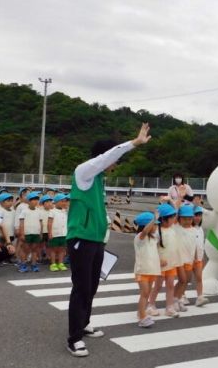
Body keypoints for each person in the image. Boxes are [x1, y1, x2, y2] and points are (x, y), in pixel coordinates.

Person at [66, 123, 151, 358]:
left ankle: (84, 323)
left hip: (94, 240)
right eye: (113, 160)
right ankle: (74, 339)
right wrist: (133, 143)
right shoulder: (84, 172)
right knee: (81, 287)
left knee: (91, 286)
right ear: (102, 157)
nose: (114, 165)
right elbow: (107, 157)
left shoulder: (99, 179)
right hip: (80, 238)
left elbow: (100, 213)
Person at [147, 203, 180, 318]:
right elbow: (151, 248)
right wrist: (158, 260)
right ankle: (150, 305)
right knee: (158, 285)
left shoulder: (172, 228)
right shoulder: (156, 232)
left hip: (171, 264)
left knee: (171, 285)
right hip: (160, 265)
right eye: (171, 217)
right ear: (164, 219)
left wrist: (173, 200)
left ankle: (169, 307)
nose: (174, 219)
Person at [133, 211, 162, 328]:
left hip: (152, 270)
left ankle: (141, 312)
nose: (156, 226)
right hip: (142, 271)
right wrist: (154, 218)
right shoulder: (139, 238)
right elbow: (145, 231)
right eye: (154, 224)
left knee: (147, 293)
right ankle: (142, 318)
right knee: (144, 293)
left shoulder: (154, 238)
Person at [174, 204, 196, 311]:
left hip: (189, 260)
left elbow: (194, 246)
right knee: (182, 280)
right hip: (179, 260)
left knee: (186, 280)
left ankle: (177, 299)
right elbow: (174, 215)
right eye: (184, 218)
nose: (187, 221)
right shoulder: (177, 228)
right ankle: (174, 300)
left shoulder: (194, 230)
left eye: (189, 219)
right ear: (179, 219)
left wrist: (195, 258)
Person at [18, 191, 43, 272]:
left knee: (34, 249)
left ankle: (34, 264)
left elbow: (40, 223)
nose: (36, 201)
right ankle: (23, 264)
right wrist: (22, 233)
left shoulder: (38, 211)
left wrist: (41, 233)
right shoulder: (24, 211)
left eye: (37, 199)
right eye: (33, 199)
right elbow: (21, 223)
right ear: (28, 201)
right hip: (27, 233)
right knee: (25, 249)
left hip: (36, 233)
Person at [192, 205, 209, 307]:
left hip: (198, 258)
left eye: (199, 215)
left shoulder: (200, 229)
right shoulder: (189, 228)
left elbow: (200, 244)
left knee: (199, 278)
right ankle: (181, 296)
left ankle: (200, 297)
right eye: (195, 215)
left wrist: (201, 257)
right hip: (189, 259)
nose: (198, 217)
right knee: (185, 280)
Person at [48, 193, 69, 271]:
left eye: (65, 201)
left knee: (62, 249)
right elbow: (49, 223)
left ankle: (61, 263)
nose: (64, 203)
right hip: (55, 234)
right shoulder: (52, 211)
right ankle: (53, 264)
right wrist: (50, 233)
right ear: (56, 202)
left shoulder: (65, 211)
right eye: (62, 201)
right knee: (53, 249)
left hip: (64, 233)